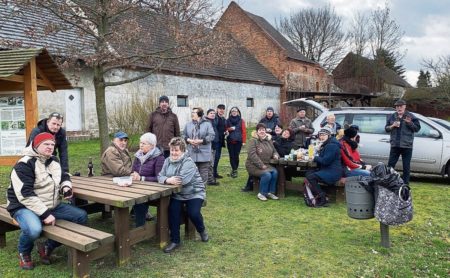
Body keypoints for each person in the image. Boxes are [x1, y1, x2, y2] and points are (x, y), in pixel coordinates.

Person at [7, 132, 88, 270]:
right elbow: (25, 194)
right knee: (34, 229)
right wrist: (45, 214)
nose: (50, 147)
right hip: (23, 206)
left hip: (51, 205)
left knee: (81, 216)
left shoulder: (54, 160)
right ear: (36, 145)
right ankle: (24, 252)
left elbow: (63, 176)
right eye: (46, 144)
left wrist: (66, 187)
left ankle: (47, 247)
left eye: (52, 144)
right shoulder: (24, 164)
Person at [158, 137, 208, 253]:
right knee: (172, 211)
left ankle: (201, 230)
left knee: (193, 213)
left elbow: (182, 181)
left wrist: (167, 179)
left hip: (194, 192)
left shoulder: (188, 162)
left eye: (176, 150)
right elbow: (160, 176)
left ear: (182, 150)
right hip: (178, 194)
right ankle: (175, 240)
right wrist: (168, 180)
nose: (173, 153)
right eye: (172, 150)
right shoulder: (167, 161)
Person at [130, 132, 165, 227]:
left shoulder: (159, 158)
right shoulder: (138, 156)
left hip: (153, 189)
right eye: (140, 142)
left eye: (144, 143)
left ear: (152, 145)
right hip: (138, 186)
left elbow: (159, 178)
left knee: (139, 200)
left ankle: (140, 226)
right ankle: (131, 218)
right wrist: (134, 175)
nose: (140, 145)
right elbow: (133, 171)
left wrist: (141, 178)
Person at [304, 127, 342, 207]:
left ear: (329, 135)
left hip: (333, 172)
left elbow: (325, 161)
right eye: (320, 135)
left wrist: (314, 157)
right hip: (328, 169)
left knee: (311, 177)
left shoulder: (332, 146)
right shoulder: (327, 144)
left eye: (323, 135)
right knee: (308, 173)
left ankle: (322, 197)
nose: (321, 137)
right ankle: (314, 194)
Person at [385, 99, 421, 185]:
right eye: (397, 106)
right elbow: (386, 129)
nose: (399, 108)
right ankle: (388, 183)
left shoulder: (411, 116)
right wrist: (392, 125)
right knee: (390, 165)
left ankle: (406, 184)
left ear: (405, 106)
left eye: (401, 106)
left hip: (407, 146)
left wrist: (410, 123)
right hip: (395, 145)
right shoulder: (392, 116)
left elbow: (417, 129)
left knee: (406, 166)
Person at [245, 123, 280, 201]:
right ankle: (261, 193)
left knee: (275, 172)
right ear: (257, 131)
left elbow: (274, 151)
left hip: (266, 164)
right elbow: (252, 155)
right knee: (267, 175)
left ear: (265, 131)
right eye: (260, 130)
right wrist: (261, 165)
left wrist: (275, 155)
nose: (262, 131)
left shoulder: (269, 140)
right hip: (253, 165)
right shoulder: (253, 141)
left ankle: (270, 192)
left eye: (263, 130)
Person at [183, 107, 215, 184]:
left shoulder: (207, 124)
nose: (192, 114)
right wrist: (189, 140)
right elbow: (183, 135)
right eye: (192, 112)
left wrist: (201, 141)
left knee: (203, 175)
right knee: (192, 174)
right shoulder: (188, 124)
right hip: (192, 153)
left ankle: (201, 192)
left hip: (204, 154)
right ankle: (193, 191)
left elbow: (212, 136)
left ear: (199, 114)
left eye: (194, 112)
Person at [225, 106, 246, 178]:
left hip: (238, 141)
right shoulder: (227, 120)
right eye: (232, 111)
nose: (234, 112)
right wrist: (230, 129)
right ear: (230, 112)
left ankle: (235, 169)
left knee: (236, 156)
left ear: (238, 112)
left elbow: (244, 131)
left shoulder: (241, 120)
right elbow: (225, 130)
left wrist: (244, 141)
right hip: (230, 140)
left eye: (235, 111)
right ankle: (234, 170)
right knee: (231, 155)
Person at [205, 109, 220, 185]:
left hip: (215, 145)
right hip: (208, 146)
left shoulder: (214, 121)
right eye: (211, 113)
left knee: (212, 163)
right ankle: (210, 180)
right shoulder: (206, 122)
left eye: (214, 113)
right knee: (210, 163)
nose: (213, 114)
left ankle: (211, 178)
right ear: (207, 114)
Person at [213, 104, 226, 179]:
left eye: (223, 109)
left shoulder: (223, 119)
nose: (221, 110)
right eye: (220, 109)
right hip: (215, 141)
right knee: (215, 157)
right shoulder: (215, 118)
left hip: (221, 141)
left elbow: (222, 129)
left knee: (217, 157)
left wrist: (226, 132)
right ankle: (213, 173)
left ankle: (214, 172)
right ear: (217, 109)